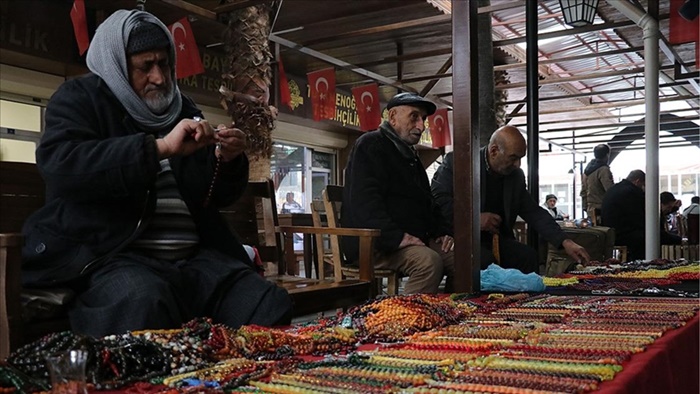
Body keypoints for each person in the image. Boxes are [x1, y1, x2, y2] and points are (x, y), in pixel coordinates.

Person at [20, 9, 292, 338]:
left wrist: (227, 158)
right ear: (118, 65)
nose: (159, 77)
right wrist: (159, 148)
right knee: (143, 304)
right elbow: (62, 165)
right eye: (144, 66)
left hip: (193, 261)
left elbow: (214, 196)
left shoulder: (183, 107)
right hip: (114, 258)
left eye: (163, 63)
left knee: (265, 303)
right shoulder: (80, 99)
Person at [431, 125, 590, 274]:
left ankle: (525, 303)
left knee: (528, 256)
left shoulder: (516, 176)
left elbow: (533, 211)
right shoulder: (459, 162)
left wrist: (565, 241)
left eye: (521, 158)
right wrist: (475, 219)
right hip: (459, 236)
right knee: (485, 261)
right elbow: (439, 201)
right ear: (494, 151)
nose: (518, 165)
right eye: (513, 158)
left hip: (496, 240)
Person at [341, 92, 454, 294]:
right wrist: (399, 238)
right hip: (375, 245)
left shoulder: (410, 156)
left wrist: (442, 232)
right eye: (414, 116)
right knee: (429, 262)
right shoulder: (370, 145)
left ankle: (454, 316)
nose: (421, 126)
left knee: (462, 258)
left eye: (423, 119)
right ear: (392, 117)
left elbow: (428, 202)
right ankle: (401, 320)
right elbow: (364, 205)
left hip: (411, 240)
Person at [601, 170, 646, 260]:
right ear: (637, 181)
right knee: (650, 237)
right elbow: (639, 219)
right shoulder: (632, 192)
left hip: (610, 233)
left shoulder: (614, 189)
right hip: (622, 235)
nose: (643, 188)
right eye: (643, 185)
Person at [580, 144, 614, 225]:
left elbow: (583, 191)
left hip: (590, 209)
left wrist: (586, 207)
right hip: (602, 209)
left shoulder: (587, 170)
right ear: (607, 155)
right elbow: (610, 191)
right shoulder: (603, 169)